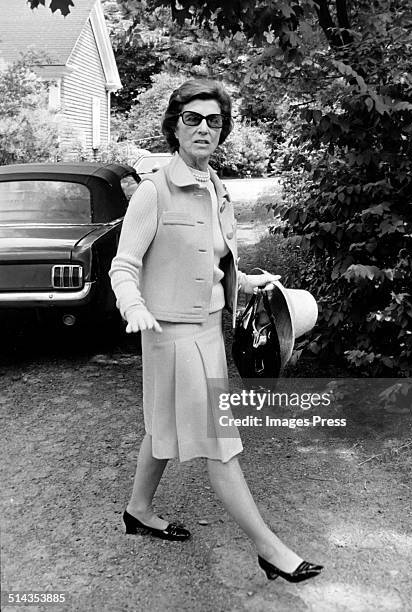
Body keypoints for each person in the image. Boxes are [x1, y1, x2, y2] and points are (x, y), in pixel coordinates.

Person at [109, 79, 323, 583]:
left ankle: (138, 510)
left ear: (222, 130)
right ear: (174, 126)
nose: (204, 128)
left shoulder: (215, 185)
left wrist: (244, 280)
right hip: (171, 332)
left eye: (214, 120)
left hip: (208, 330)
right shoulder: (153, 191)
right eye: (192, 118)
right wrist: (132, 305)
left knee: (161, 425)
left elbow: (213, 257)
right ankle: (270, 550)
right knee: (219, 443)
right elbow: (124, 265)